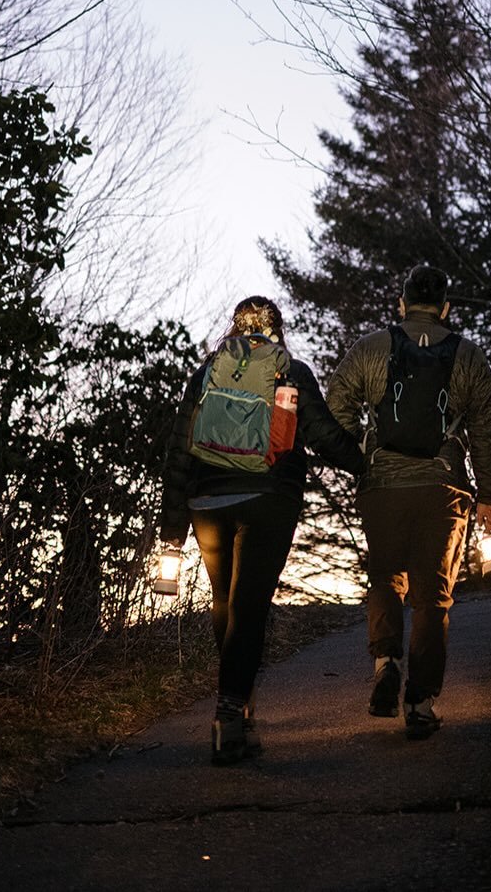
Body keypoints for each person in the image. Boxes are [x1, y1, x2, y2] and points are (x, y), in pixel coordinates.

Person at [159, 295, 363, 765]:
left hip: (208, 501)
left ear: (234, 326)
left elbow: (179, 448)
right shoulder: (290, 370)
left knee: (225, 602)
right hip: (269, 497)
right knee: (249, 605)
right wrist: (367, 465)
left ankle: (240, 709)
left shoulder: (208, 371)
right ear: (278, 329)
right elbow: (324, 435)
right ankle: (230, 713)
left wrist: (172, 528)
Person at [326, 263, 491, 740]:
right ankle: (421, 703)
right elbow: (490, 426)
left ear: (402, 304)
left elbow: (336, 405)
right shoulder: (467, 355)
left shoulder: (370, 347)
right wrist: (489, 494)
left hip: (382, 486)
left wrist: (359, 457)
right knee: (433, 596)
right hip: (443, 487)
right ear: (445, 309)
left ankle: (386, 661)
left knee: (386, 575)